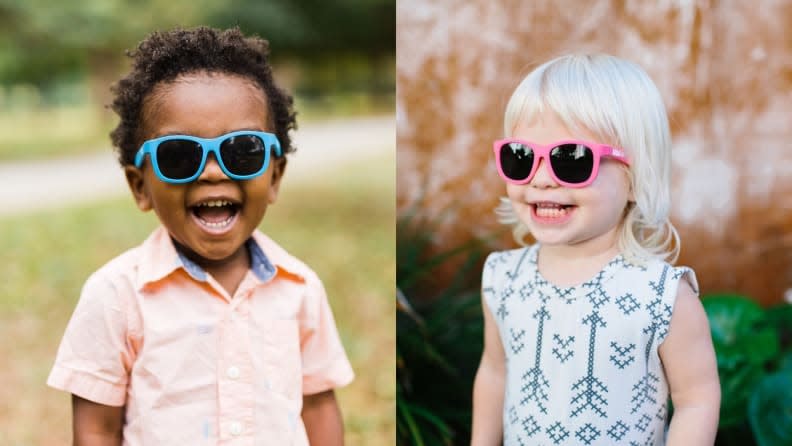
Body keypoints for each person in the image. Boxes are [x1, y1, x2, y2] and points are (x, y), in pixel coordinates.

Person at [47, 27, 354, 445]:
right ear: (141, 187)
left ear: (275, 176)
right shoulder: (115, 295)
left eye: (243, 151)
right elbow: (97, 429)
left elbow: (318, 407)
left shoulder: (300, 288)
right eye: (179, 156)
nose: (213, 172)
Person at [471, 53, 720, 445]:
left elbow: (696, 398)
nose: (541, 180)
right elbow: (495, 371)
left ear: (638, 178)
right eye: (520, 158)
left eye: (570, 160)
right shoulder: (503, 278)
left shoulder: (662, 296)